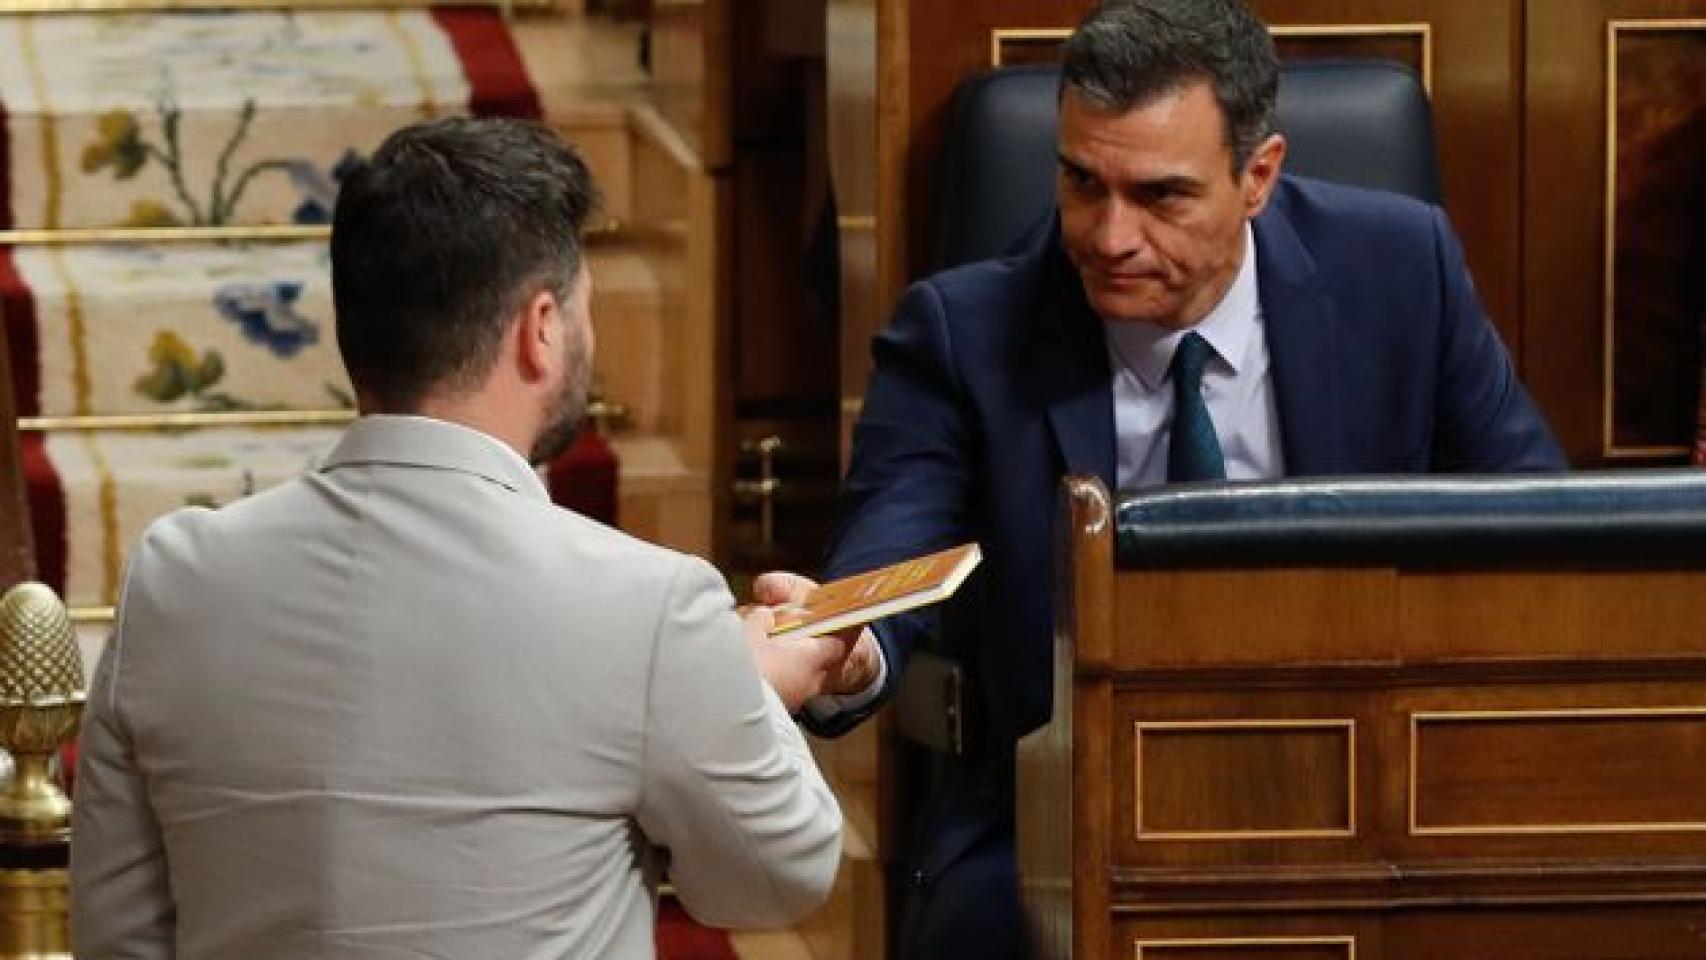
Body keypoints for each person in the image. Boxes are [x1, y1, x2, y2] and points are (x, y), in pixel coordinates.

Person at [758, 1, 1568, 957]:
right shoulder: (966, 331)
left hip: (1369, 772)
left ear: (1258, 175)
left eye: (1161, 196)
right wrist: (849, 646)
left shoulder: (1402, 271)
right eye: (1081, 182)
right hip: (1069, 795)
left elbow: (1535, 537)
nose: (1108, 236)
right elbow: (897, 537)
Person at [70, 117, 847, 960]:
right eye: (584, 309)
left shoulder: (173, 580)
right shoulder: (651, 607)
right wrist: (750, 690)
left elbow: (119, 938)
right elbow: (778, 876)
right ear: (540, 329)